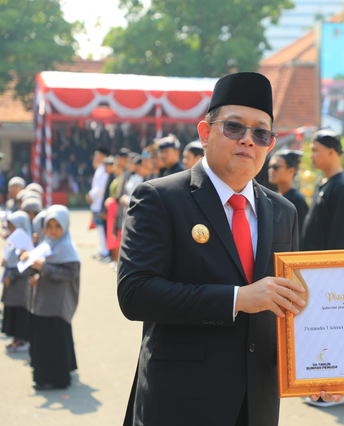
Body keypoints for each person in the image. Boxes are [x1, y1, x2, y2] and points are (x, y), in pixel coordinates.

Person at [117, 72, 305, 426]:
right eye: (234, 127)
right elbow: (135, 293)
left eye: (261, 133)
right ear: (205, 133)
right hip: (180, 401)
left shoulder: (284, 212)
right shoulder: (160, 197)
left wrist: (320, 369)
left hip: (256, 405)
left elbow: (289, 307)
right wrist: (237, 299)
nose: (248, 140)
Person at [22, 205, 79, 390]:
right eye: (50, 226)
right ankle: (44, 376)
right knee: (45, 340)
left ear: (65, 226)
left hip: (56, 304)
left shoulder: (67, 248)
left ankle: (57, 380)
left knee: (54, 341)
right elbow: (37, 267)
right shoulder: (46, 245)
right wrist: (29, 261)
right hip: (44, 301)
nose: (53, 231)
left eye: (57, 226)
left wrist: (44, 268)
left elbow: (69, 273)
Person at [301, 129, 344, 251]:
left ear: (331, 152)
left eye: (315, 150)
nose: (311, 155)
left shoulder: (343, 187)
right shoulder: (325, 182)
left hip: (324, 267)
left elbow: (340, 240)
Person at [2, 211, 32, 352]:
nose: (11, 231)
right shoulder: (13, 242)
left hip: (20, 287)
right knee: (12, 314)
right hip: (12, 286)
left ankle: (22, 340)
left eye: (14, 228)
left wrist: (12, 275)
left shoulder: (26, 243)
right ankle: (16, 339)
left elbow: (26, 266)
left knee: (20, 314)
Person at [268, 149, 308, 235]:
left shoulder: (297, 201)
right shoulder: (270, 197)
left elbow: (299, 236)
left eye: (275, 167)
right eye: (270, 167)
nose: (271, 171)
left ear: (291, 171)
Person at [86, 147, 110, 260]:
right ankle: (102, 249)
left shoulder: (103, 169)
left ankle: (105, 250)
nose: (95, 158)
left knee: (101, 226)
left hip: (99, 202)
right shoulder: (100, 169)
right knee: (99, 227)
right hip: (97, 202)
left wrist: (90, 195)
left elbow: (99, 189)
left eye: (98, 156)